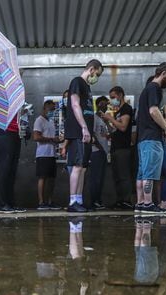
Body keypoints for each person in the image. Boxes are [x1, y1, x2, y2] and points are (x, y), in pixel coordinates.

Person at [135, 62, 166, 214]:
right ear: (164, 73)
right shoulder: (155, 88)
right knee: (150, 172)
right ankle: (147, 203)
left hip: (143, 139)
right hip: (152, 137)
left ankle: (140, 203)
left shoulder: (146, 90)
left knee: (142, 172)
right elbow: (154, 111)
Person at [63, 59, 104, 213]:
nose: (96, 77)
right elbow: (74, 104)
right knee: (77, 166)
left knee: (84, 167)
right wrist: (84, 128)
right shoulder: (77, 82)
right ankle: (72, 200)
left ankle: (79, 199)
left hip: (85, 133)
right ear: (92, 69)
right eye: (97, 74)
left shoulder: (86, 87)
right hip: (78, 131)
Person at [101, 86, 134, 209]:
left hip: (123, 148)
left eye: (113, 97)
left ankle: (126, 200)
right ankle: (119, 199)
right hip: (115, 147)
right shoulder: (118, 111)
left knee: (124, 176)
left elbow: (123, 127)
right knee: (117, 176)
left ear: (120, 95)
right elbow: (115, 129)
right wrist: (107, 123)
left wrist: (110, 118)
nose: (112, 100)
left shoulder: (126, 109)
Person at [33, 100, 62, 210]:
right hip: (42, 154)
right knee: (42, 178)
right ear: (44, 108)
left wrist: (57, 141)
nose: (52, 112)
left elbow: (51, 138)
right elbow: (36, 137)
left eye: (54, 110)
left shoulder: (50, 122)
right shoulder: (39, 121)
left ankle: (50, 201)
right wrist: (51, 139)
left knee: (51, 179)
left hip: (52, 154)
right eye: (50, 109)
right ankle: (41, 202)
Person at [0, 115, 23, 213]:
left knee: (11, 170)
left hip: (15, 131)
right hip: (3, 130)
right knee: (4, 168)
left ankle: (9, 202)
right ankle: (0, 203)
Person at [89, 96, 111, 209]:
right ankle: (93, 201)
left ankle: (98, 200)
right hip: (96, 151)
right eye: (102, 104)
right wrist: (100, 147)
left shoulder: (103, 119)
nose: (105, 106)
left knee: (101, 178)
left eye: (106, 104)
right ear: (97, 105)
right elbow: (91, 134)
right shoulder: (93, 117)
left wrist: (107, 122)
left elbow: (111, 133)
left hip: (103, 152)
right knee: (96, 178)